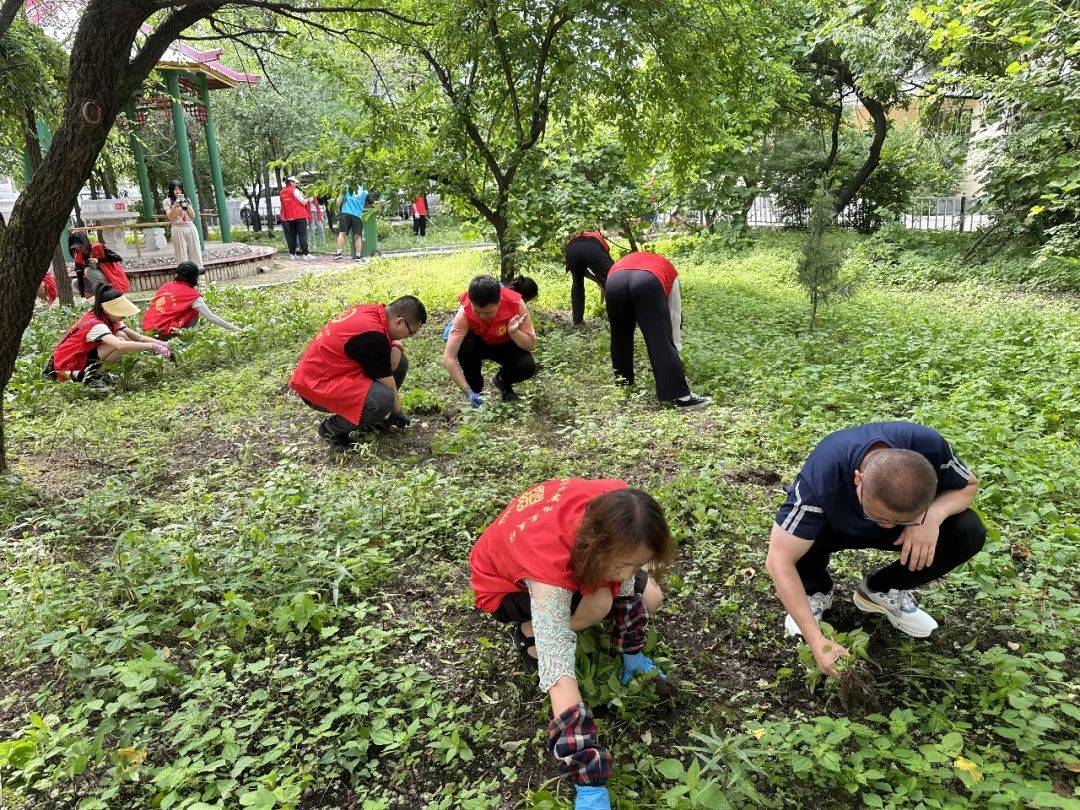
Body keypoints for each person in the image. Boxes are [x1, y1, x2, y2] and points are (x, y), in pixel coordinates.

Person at [470, 479, 673, 810]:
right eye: (627, 564)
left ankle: (589, 607)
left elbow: (624, 584)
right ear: (597, 548)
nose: (632, 573)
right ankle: (529, 631)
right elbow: (559, 675)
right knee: (598, 606)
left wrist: (632, 648)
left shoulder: (622, 506)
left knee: (651, 597)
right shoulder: (548, 567)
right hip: (504, 587)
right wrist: (589, 779)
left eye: (638, 564)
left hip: (577, 551)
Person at [765, 422, 984, 676]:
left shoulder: (929, 446)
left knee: (967, 530)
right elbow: (778, 560)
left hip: (909, 529)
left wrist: (931, 517)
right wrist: (816, 641)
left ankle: (881, 589)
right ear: (859, 478)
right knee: (796, 538)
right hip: (831, 528)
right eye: (879, 517)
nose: (887, 525)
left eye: (896, 520)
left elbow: (968, 485)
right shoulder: (823, 476)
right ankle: (813, 590)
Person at [290, 295, 428, 448]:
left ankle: (371, 419)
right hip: (316, 386)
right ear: (399, 321)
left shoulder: (373, 311)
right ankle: (331, 429)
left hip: (333, 372)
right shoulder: (373, 337)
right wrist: (398, 412)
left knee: (399, 362)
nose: (409, 337)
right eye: (410, 333)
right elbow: (388, 384)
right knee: (384, 400)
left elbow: (389, 342)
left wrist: (396, 345)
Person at [605, 251, 709, 410]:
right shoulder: (669, 271)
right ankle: (681, 397)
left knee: (620, 336)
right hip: (647, 282)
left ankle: (624, 385)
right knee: (659, 339)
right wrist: (674, 345)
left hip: (614, 280)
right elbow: (675, 313)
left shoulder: (628, 261)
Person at [43, 285, 171, 387]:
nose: (124, 315)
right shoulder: (96, 325)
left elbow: (138, 337)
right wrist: (153, 346)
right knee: (120, 340)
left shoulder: (107, 318)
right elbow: (119, 345)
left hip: (77, 359)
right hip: (67, 368)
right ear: (106, 309)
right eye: (120, 311)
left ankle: (96, 374)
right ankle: (92, 377)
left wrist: (161, 343)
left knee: (120, 334)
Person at [443, 274, 537, 406]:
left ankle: (502, 381)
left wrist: (514, 332)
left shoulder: (516, 304)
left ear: (499, 300)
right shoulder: (464, 313)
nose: (482, 316)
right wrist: (467, 391)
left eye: (488, 313)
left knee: (527, 366)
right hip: (478, 345)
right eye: (477, 311)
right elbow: (449, 358)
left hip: (506, 344)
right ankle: (475, 390)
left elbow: (530, 345)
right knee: (466, 344)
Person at [141, 261, 240, 338]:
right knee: (194, 312)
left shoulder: (166, 286)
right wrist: (236, 329)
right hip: (163, 330)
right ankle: (181, 338)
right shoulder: (192, 295)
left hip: (148, 327)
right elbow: (210, 317)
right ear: (193, 278)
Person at [564, 231, 614, 325]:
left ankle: (577, 321)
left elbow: (583, 272)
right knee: (612, 281)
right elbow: (611, 272)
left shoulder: (572, 239)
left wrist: (598, 281)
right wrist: (601, 281)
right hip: (593, 248)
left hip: (571, 250)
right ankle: (618, 317)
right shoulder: (598, 237)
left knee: (577, 284)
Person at [69, 233, 130, 299]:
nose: (79, 248)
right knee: (75, 282)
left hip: (112, 279)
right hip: (96, 282)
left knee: (88, 270)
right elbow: (80, 275)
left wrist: (98, 260)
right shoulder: (78, 257)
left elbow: (118, 258)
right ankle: (101, 294)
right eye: (76, 247)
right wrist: (82, 295)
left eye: (80, 246)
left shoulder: (97, 247)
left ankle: (110, 292)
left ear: (86, 243)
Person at [164, 180, 204, 268]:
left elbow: (193, 216)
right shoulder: (167, 201)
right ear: (171, 190)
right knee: (181, 255)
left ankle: (199, 277)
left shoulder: (187, 200)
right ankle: (184, 279)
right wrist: (175, 205)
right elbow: (170, 216)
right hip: (177, 228)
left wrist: (187, 205)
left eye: (179, 189)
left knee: (196, 252)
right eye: (175, 189)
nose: (178, 191)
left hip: (191, 227)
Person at [279, 176, 312, 261]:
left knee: (291, 237)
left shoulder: (282, 192)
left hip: (288, 218)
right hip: (300, 216)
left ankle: (292, 254)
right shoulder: (295, 190)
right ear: (291, 182)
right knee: (302, 236)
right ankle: (306, 254)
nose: (295, 184)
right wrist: (309, 197)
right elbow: (303, 202)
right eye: (295, 183)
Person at [332, 185, 368, 261]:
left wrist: (337, 209)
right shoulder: (364, 190)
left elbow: (340, 199)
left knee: (342, 233)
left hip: (346, 212)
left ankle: (339, 253)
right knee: (358, 236)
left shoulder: (347, 186)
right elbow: (370, 202)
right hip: (357, 215)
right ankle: (358, 256)